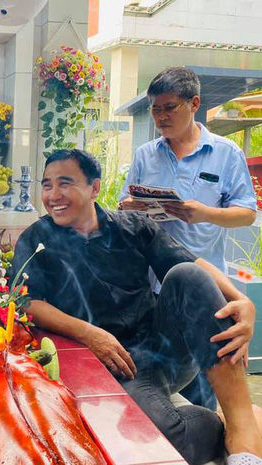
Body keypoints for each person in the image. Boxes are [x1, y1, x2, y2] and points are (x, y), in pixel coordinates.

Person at [13, 148, 262, 465]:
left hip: (164, 349)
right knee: (154, 441)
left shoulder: (134, 227)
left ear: (94, 187)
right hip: (121, 367)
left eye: (65, 183)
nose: (53, 195)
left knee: (186, 275)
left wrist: (241, 299)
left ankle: (243, 430)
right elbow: (27, 301)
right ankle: (225, 423)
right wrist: (90, 333)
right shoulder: (37, 238)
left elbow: (192, 262)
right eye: (47, 185)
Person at [118, 67, 257, 410]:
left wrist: (204, 213)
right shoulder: (145, 154)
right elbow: (124, 205)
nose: (160, 117)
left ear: (194, 104)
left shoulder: (226, 153)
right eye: (155, 109)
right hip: (153, 288)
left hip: (207, 291)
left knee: (204, 389)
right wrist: (131, 207)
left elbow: (247, 213)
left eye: (169, 108)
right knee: (157, 385)